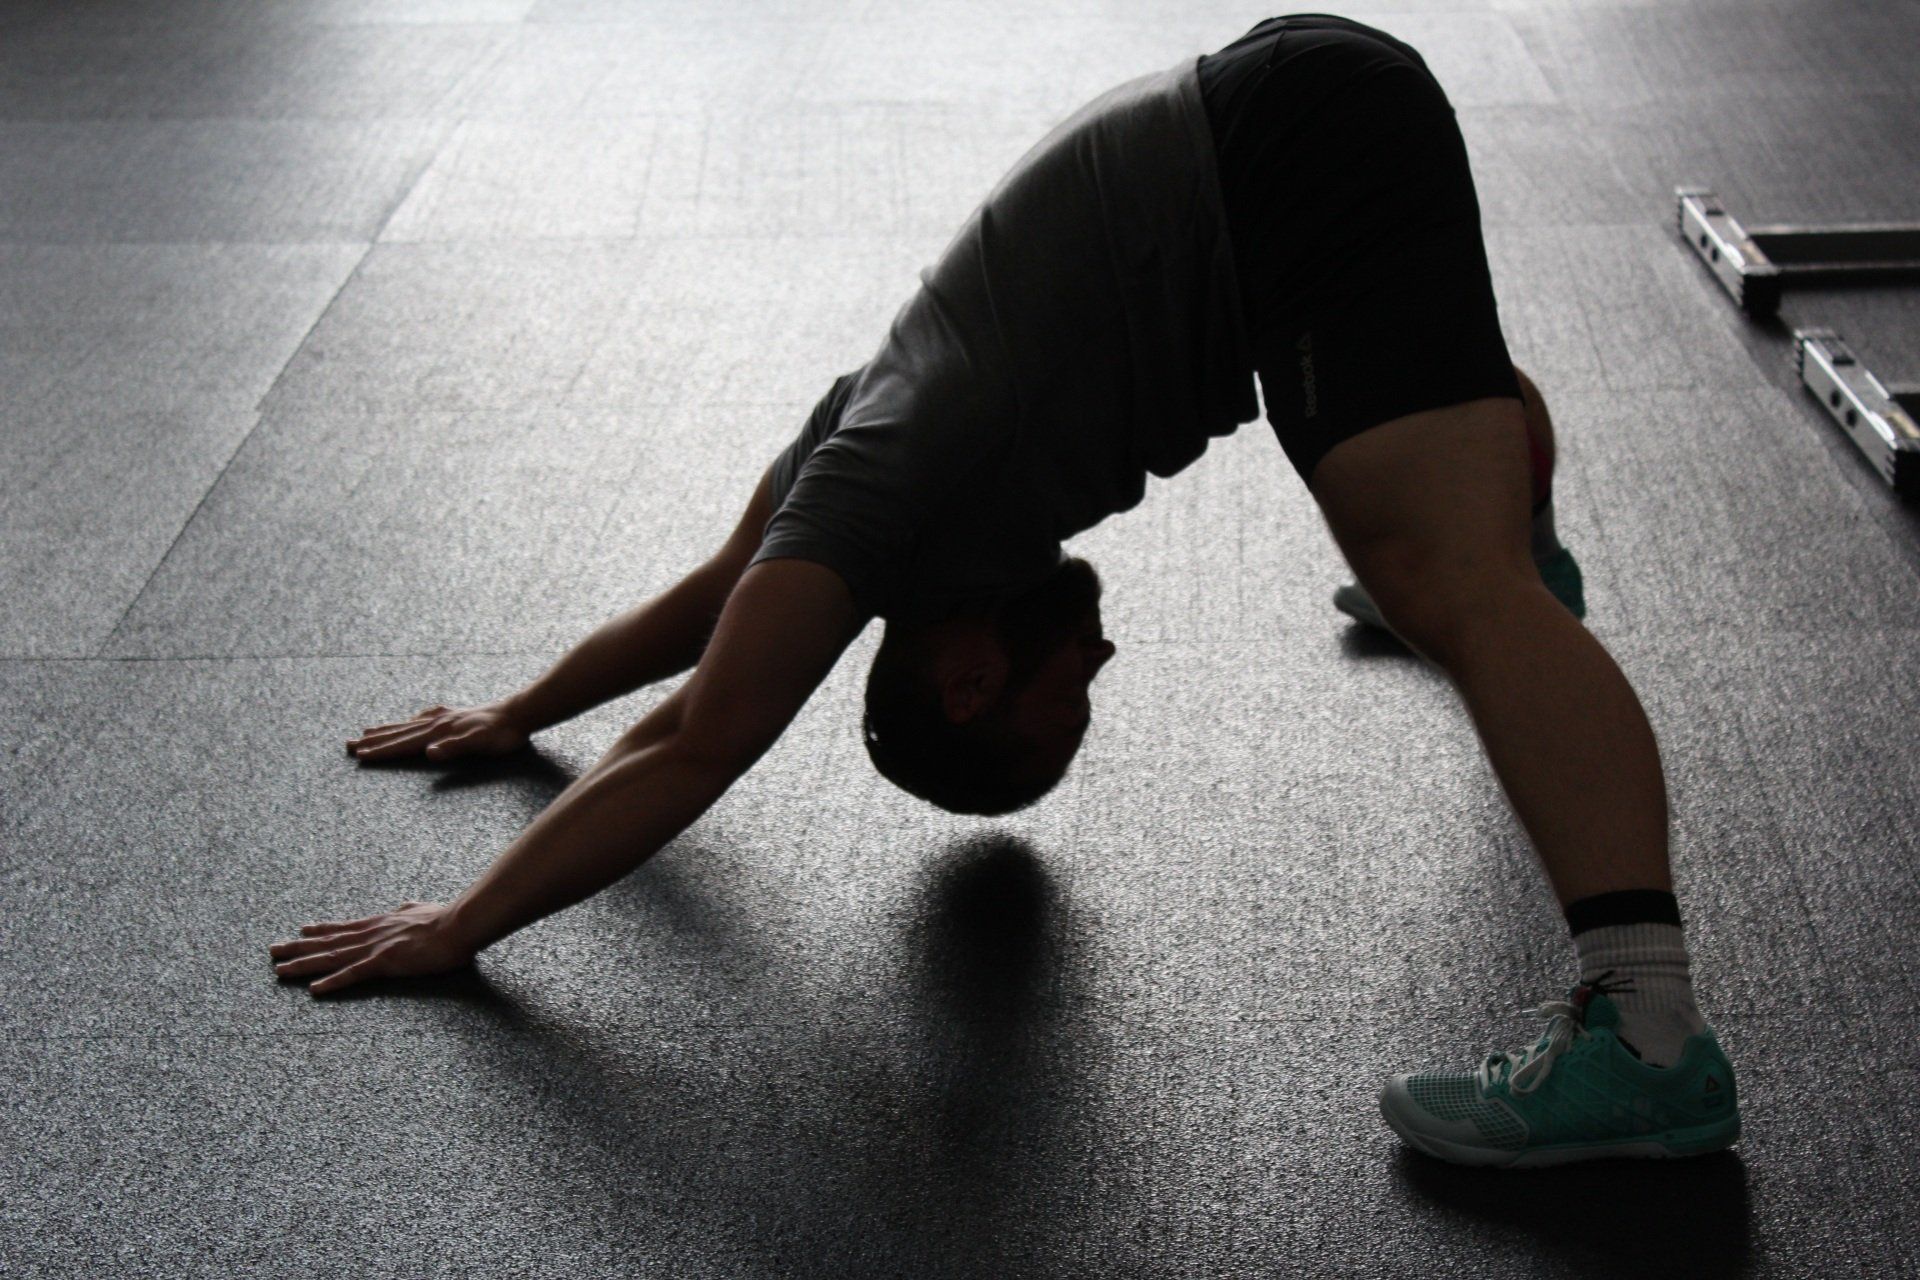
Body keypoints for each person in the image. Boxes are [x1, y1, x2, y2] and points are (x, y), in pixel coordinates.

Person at [271, 14, 1740, 1168]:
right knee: (1419, 511)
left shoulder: (884, 494)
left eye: (1065, 695)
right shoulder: (867, 462)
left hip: (1281, 154)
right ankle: (1513, 558)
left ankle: (1651, 1039)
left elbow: (697, 732)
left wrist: (464, 923)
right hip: (1286, 126)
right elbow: (706, 598)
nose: (1099, 656)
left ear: (963, 676)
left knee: (1445, 577)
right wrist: (521, 714)